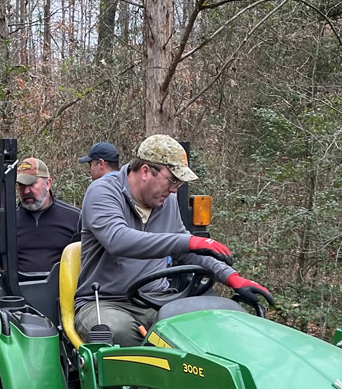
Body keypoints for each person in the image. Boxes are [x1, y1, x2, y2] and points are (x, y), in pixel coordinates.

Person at [76, 134, 271, 345]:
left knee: (211, 328)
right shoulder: (103, 191)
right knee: (121, 334)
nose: (175, 189)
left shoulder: (166, 201)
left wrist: (232, 278)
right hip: (106, 303)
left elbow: (187, 250)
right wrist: (188, 242)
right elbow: (118, 240)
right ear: (145, 171)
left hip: (157, 299)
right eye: (172, 180)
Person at [14, 157, 80, 276]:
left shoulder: (75, 218)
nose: (26, 191)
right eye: (21, 186)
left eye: (32, 184)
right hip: (18, 292)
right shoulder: (9, 220)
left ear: (48, 183)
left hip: (62, 292)